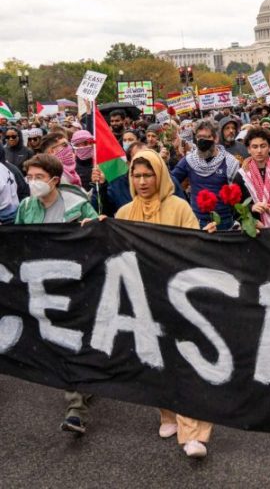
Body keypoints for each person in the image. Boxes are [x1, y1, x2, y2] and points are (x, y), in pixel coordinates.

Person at [113, 149, 213, 457]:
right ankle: (167, 415)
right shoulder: (124, 213)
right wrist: (97, 228)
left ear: (161, 176)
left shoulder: (179, 207)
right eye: (137, 175)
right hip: (142, 299)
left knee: (185, 363)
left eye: (149, 175)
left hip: (178, 299)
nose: (143, 181)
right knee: (155, 361)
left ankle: (193, 434)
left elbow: (193, 247)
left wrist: (207, 238)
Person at [14, 153, 98, 433]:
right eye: (29, 177)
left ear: (54, 180)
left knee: (72, 340)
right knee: (62, 343)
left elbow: (99, 236)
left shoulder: (78, 205)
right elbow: (17, 242)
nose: (32, 182)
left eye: (39, 177)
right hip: (42, 285)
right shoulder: (26, 207)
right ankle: (84, 384)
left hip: (75, 285)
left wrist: (93, 227)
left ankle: (76, 409)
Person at [171, 120, 239, 229]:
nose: (202, 141)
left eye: (206, 137)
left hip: (223, 222)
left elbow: (238, 194)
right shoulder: (189, 160)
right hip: (197, 221)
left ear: (215, 138)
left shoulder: (230, 162)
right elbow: (170, 182)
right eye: (199, 137)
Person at [233, 127, 270, 227]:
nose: (259, 151)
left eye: (263, 146)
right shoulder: (242, 176)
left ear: (269, 147)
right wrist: (251, 208)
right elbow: (235, 207)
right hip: (255, 228)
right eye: (255, 147)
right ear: (248, 149)